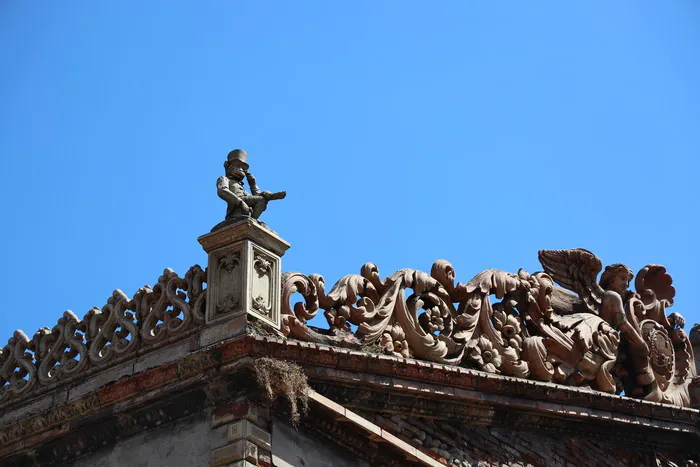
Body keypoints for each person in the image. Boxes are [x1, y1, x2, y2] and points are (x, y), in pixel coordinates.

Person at [216, 149, 286, 224]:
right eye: (238, 166)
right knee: (261, 199)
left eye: (243, 168)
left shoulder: (242, 189)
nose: (241, 169)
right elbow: (222, 191)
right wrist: (240, 202)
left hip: (245, 202)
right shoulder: (224, 179)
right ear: (228, 166)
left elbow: (257, 198)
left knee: (262, 198)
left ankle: (253, 218)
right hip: (236, 205)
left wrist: (253, 184)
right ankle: (253, 218)